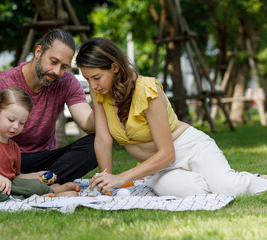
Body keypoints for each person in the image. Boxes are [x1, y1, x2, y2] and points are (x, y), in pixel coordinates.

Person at [75, 37, 267, 197]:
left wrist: (121, 178)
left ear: (115, 67)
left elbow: (168, 153)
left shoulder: (147, 90)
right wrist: (106, 185)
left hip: (189, 148)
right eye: (88, 79)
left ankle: (248, 179)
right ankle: (221, 178)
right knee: (197, 192)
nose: (92, 86)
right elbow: (103, 140)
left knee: (231, 189)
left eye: (97, 77)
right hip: (156, 168)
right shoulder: (99, 92)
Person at [0, 29, 97, 185]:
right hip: (3, 161)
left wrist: (98, 93)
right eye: (53, 62)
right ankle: (30, 185)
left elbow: (89, 125)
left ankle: (32, 183)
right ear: (39, 51)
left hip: (44, 161)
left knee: (95, 144)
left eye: (63, 66)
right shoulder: (3, 82)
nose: (56, 71)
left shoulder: (67, 81)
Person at [0, 87, 81, 202]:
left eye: (22, 123)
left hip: (9, 185)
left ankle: (51, 191)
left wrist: (35, 176)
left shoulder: (14, 147)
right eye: (11, 120)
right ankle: (41, 197)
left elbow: (15, 177)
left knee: (34, 185)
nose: (16, 126)